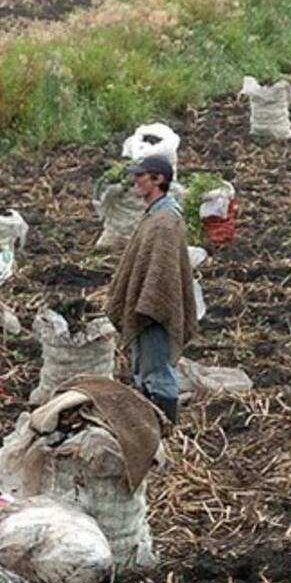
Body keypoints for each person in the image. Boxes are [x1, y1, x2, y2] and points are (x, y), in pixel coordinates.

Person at [106, 155, 197, 423]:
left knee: (157, 372)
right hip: (148, 304)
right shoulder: (155, 215)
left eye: (141, 175)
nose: (135, 180)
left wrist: (151, 304)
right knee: (146, 370)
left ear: (158, 179)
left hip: (155, 309)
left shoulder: (165, 221)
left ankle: (165, 428)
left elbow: (163, 274)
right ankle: (151, 426)